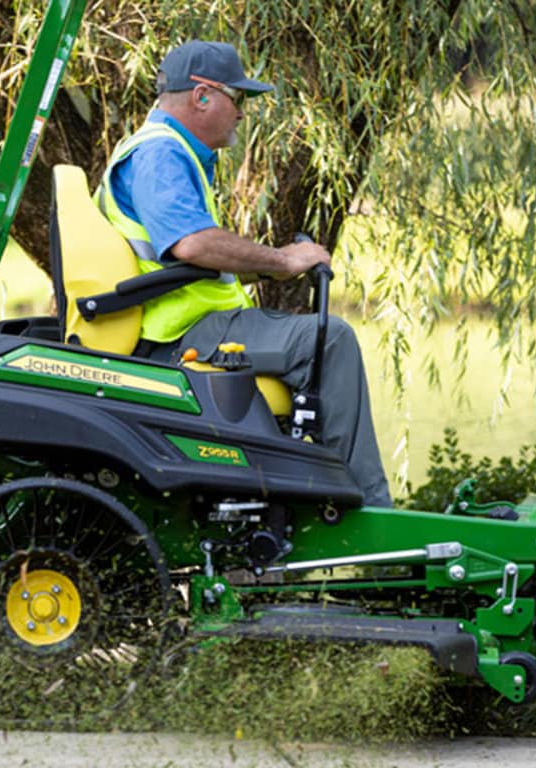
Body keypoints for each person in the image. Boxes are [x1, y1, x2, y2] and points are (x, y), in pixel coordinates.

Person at [96, 40, 391, 507]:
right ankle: (370, 514)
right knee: (331, 341)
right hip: (179, 334)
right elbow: (192, 244)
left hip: (191, 323)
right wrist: (284, 260)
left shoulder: (168, 152)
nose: (243, 113)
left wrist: (269, 270)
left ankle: (297, 492)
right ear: (202, 96)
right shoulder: (161, 154)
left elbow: (185, 259)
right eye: (240, 98)